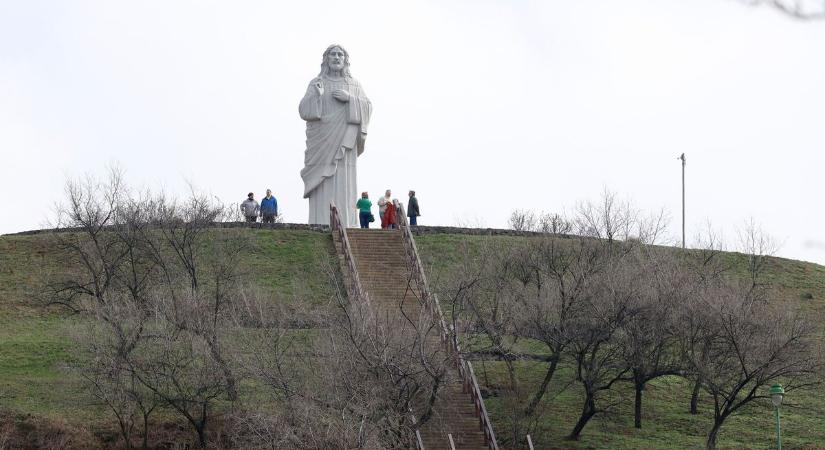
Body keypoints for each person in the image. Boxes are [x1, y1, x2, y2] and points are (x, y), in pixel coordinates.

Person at [299, 44, 372, 227]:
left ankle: (347, 224)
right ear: (326, 59)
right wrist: (317, 95)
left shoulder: (353, 84)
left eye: (340, 54)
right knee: (323, 185)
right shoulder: (317, 82)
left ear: (345, 59)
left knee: (345, 181)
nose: (337, 57)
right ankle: (320, 221)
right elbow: (303, 110)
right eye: (333, 54)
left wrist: (350, 99)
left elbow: (368, 106)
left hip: (345, 142)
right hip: (322, 143)